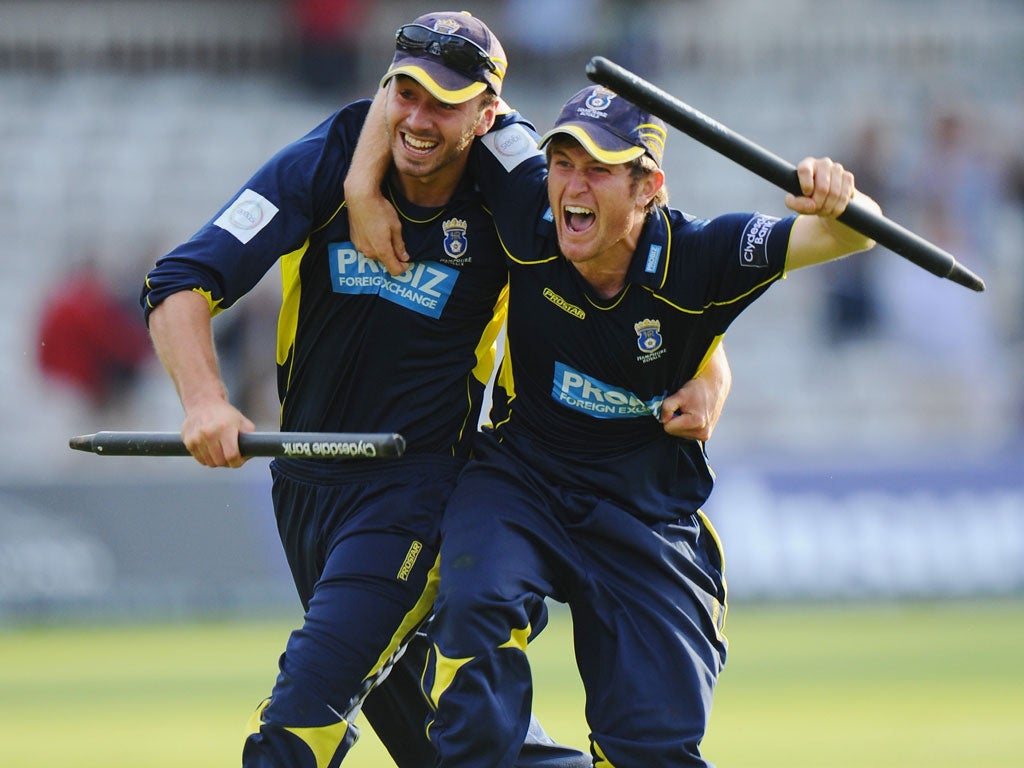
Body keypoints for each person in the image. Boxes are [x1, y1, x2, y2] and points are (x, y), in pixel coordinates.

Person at [141, 10, 728, 768]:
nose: (419, 117)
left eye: (445, 101)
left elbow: (648, 260)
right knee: (442, 742)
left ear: (487, 114)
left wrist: (710, 371)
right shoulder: (325, 162)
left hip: (417, 490)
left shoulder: (515, 187)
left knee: (296, 727)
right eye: (406, 94)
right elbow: (181, 280)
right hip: (305, 489)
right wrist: (204, 400)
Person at [347, 84, 879, 766]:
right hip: (520, 481)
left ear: (648, 186)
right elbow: (431, 83)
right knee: (473, 609)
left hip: (643, 513)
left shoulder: (703, 254)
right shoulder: (525, 196)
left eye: (598, 168)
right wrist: (364, 185)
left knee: (654, 751)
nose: (571, 185)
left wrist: (838, 196)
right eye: (564, 162)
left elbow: (853, 232)